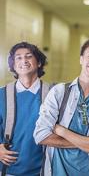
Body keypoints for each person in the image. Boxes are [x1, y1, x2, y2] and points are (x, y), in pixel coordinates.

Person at [33, 37, 89, 176]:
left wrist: (60, 130)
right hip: (55, 171)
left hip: (88, 171)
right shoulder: (59, 92)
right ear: (81, 59)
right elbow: (41, 136)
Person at [0, 42, 48, 175]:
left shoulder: (54, 93)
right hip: (9, 168)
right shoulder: (2, 94)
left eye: (29, 56)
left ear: (38, 63)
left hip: (45, 169)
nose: (24, 61)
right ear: (13, 65)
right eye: (18, 58)